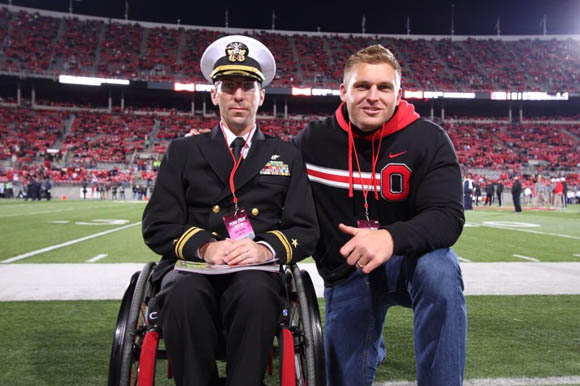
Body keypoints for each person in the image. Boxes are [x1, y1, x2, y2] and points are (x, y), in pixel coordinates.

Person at [142, 35, 318, 386]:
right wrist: (206, 246)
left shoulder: (287, 155)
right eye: (229, 86)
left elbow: (305, 230)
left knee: (255, 293)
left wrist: (262, 248)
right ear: (214, 95)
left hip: (256, 271)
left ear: (261, 96)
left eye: (247, 87)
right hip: (194, 269)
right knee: (183, 297)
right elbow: (157, 224)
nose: (238, 95)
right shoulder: (183, 151)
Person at [294, 45, 466, 386]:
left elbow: (448, 216)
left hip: (408, 265)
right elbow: (279, 196)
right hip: (347, 270)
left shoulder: (428, 139)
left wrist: (390, 238)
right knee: (343, 378)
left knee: (441, 269)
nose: (373, 97)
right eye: (362, 86)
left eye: (384, 88)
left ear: (398, 93)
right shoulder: (312, 141)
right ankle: (368, 342)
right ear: (343, 91)